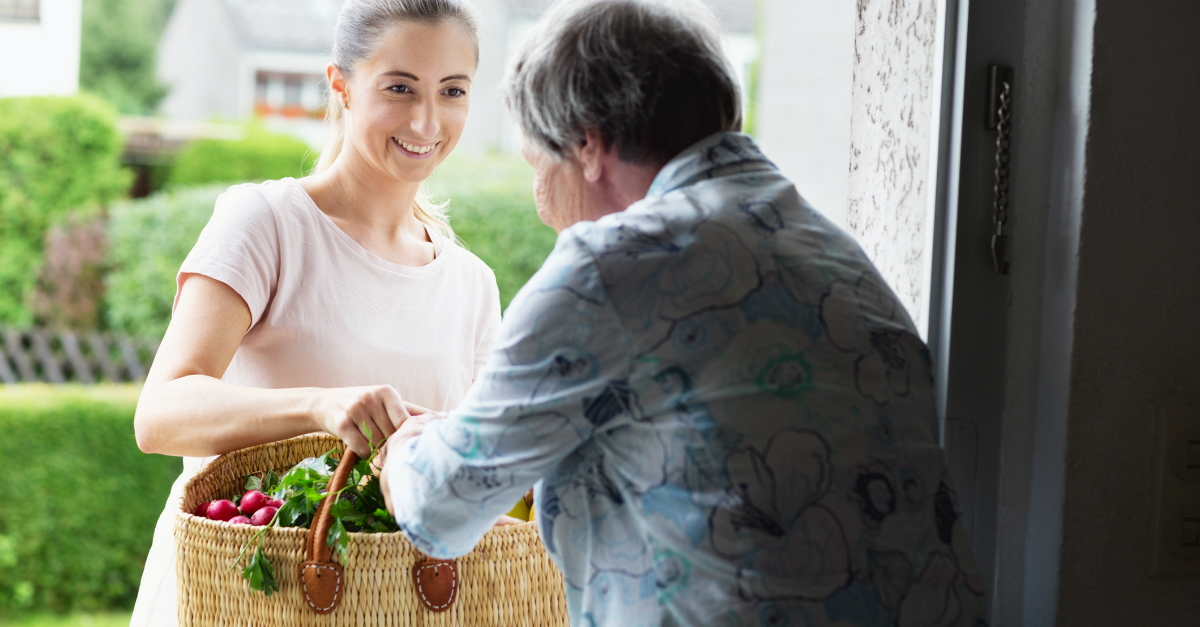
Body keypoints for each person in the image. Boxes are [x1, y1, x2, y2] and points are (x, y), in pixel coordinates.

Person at [379, 0, 988, 625]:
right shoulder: (834, 253)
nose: (544, 209)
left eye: (540, 166)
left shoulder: (607, 268)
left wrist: (407, 449)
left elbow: (440, 510)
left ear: (587, 144)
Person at [128, 1, 500, 624]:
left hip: (388, 608)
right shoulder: (268, 224)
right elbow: (159, 415)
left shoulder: (472, 285)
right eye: (399, 88)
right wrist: (322, 407)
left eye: (452, 90)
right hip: (243, 598)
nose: (426, 119)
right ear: (342, 87)